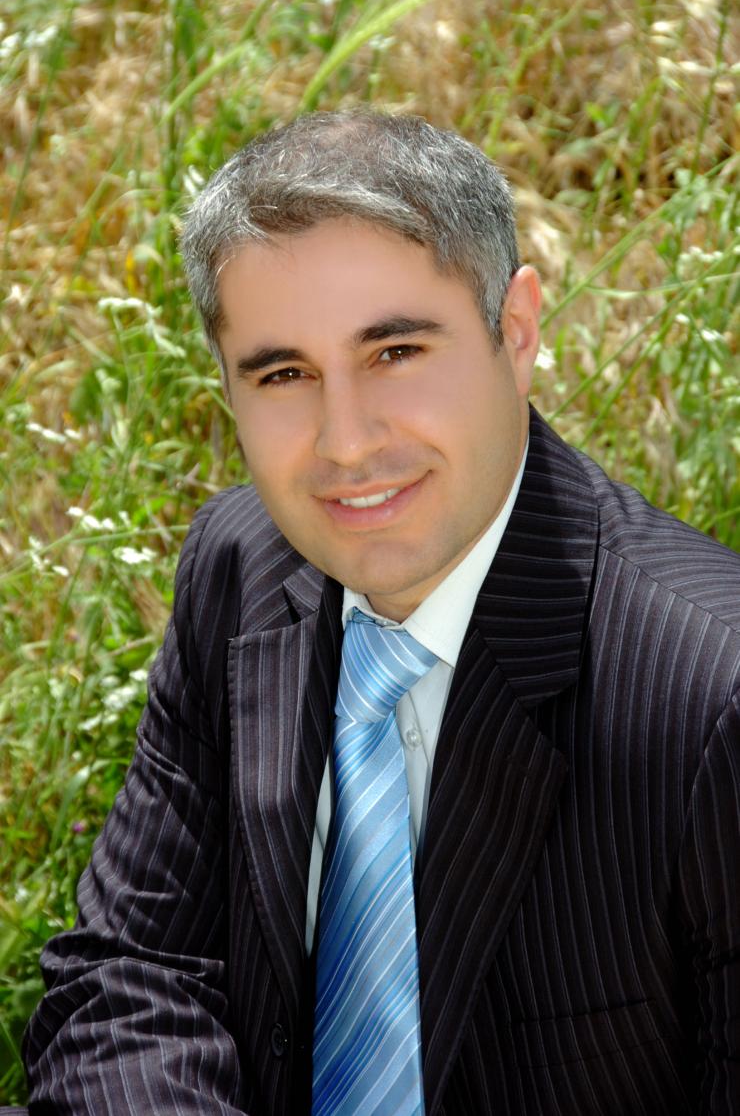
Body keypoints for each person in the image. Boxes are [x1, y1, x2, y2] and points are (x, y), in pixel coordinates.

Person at [20, 111, 739, 1116]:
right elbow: (133, 970)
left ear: (515, 331)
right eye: (282, 374)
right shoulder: (239, 568)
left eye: (394, 351)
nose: (344, 441)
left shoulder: (709, 695)